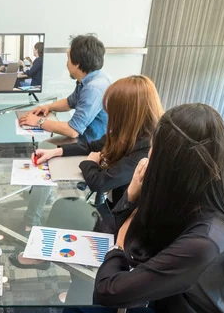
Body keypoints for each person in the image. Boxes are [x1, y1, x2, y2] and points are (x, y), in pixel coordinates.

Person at [25, 103, 224, 313]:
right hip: (173, 312)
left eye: (154, 149)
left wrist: (118, 243)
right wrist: (131, 197)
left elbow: (108, 289)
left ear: (171, 162)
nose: (148, 154)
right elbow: (137, 247)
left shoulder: (204, 239)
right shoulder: (194, 201)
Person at [18, 75, 163, 237]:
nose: (109, 117)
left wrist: (90, 162)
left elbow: (100, 183)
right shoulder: (129, 133)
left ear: (126, 114)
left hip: (127, 223)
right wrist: (55, 152)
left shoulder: (146, 150)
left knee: (64, 212)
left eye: (112, 112)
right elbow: (91, 146)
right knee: (63, 208)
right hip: (115, 206)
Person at [19, 34, 110, 141]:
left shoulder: (93, 88)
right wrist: (48, 107)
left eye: (68, 59)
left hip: (90, 146)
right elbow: (69, 102)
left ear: (77, 63)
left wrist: (38, 121)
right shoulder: (90, 79)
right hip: (84, 140)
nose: (66, 64)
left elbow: (73, 130)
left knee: (43, 148)